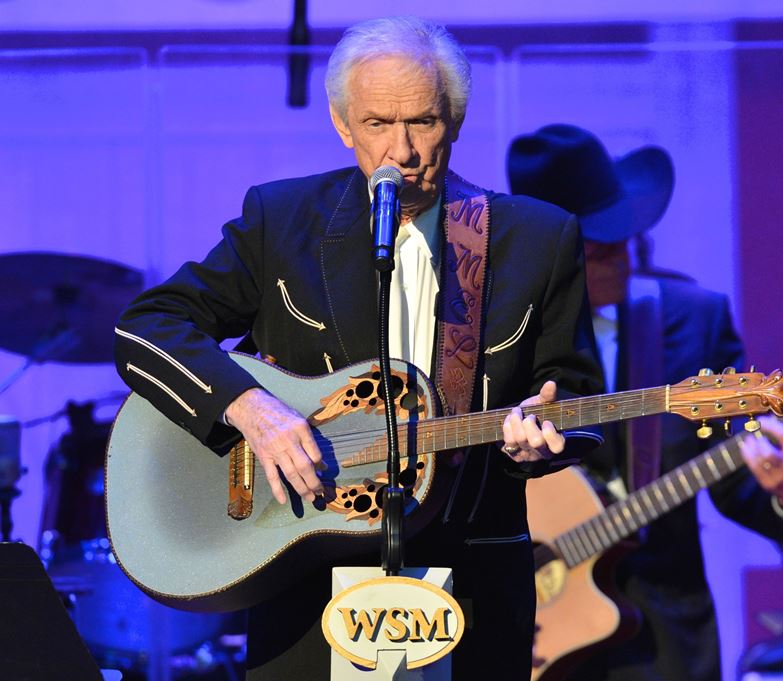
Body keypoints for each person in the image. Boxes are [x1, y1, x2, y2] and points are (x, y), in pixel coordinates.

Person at [113, 20, 603, 680]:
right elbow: (148, 325)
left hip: (473, 587)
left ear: (455, 120)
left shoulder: (538, 240)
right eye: (377, 124)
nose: (401, 150)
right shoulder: (280, 221)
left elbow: (574, 398)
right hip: (304, 584)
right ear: (344, 126)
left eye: (423, 121)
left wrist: (544, 436)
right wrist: (250, 408)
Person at [507, 124, 783, 681]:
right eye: (600, 252)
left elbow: (736, 479)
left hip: (662, 643)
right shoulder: (499, 336)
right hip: (528, 638)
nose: (622, 261)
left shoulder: (693, 321)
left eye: (626, 241)